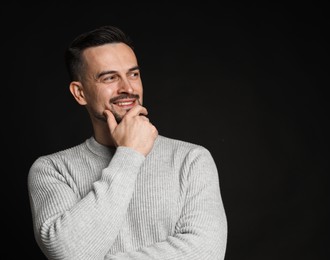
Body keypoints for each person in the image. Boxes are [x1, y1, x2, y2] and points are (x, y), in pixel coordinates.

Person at [27, 25, 228, 260]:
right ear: (79, 93)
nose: (128, 88)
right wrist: (129, 154)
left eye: (133, 74)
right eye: (110, 78)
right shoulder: (52, 170)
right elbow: (68, 253)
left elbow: (206, 252)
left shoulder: (191, 159)